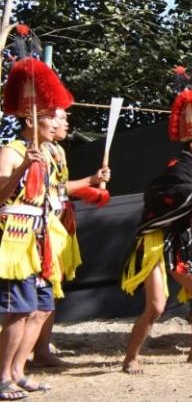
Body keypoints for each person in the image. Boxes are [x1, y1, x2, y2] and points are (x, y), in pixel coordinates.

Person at [121, 89, 192, 373]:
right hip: (156, 240)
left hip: (180, 239)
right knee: (156, 306)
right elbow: (169, 194)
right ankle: (131, 357)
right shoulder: (177, 166)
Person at [0, 59, 71, 394]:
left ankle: (17, 370)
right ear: (30, 120)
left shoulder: (50, 155)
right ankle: (1, 376)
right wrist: (20, 169)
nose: (56, 122)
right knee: (19, 311)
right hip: (16, 242)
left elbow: (54, 197)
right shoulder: (11, 151)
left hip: (42, 241)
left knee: (42, 309)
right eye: (49, 116)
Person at [37, 107, 110, 367]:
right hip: (42, 227)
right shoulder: (37, 151)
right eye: (62, 117)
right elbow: (55, 189)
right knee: (43, 287)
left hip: (61, 223)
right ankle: (37, 349)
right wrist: (91, 179)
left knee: (53, 288)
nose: (67, 121)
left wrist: (94, 186)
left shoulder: (56, 150)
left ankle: (42, 346)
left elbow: (63, 192)